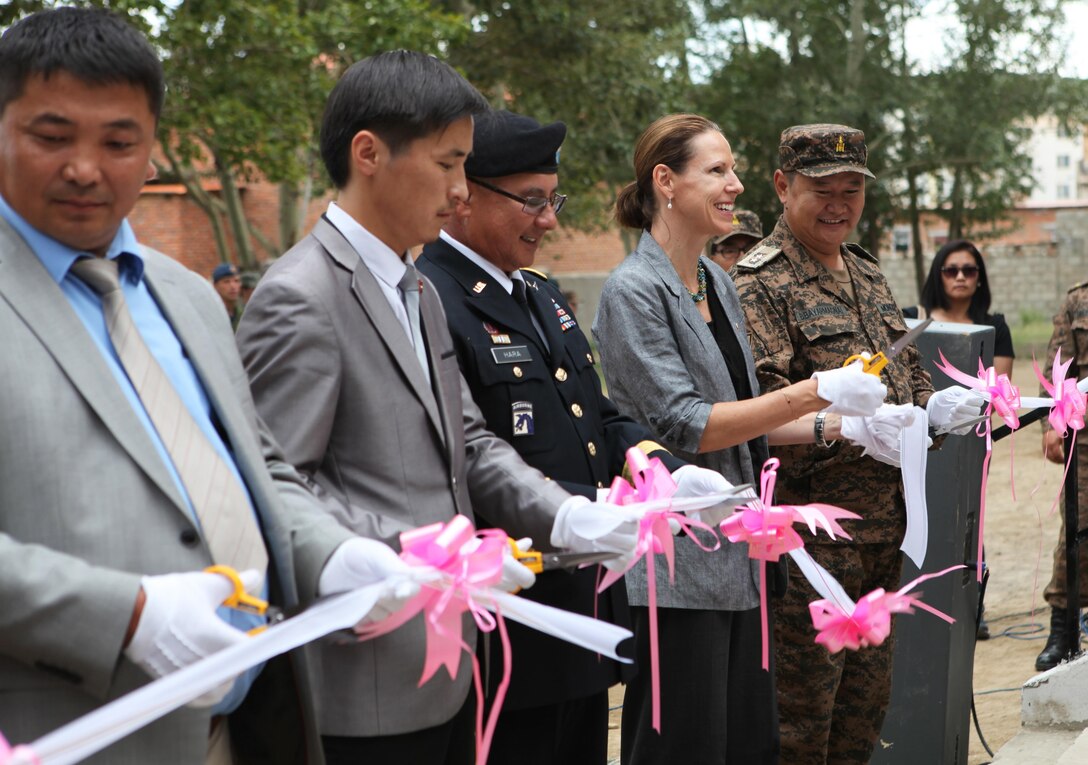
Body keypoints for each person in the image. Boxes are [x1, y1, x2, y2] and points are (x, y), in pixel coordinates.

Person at [0, 8, 412, 764]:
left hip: (248, 725)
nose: (86, 167)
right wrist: (125, 614)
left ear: (152, 148)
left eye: (119, 142)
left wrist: (333, 552)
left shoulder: (187, 297)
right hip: (73, 733)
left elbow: (263, 471)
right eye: (52, 136)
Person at [235, 53, 648, 765]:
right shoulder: (301, 295)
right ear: (369, 153)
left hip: (455, 657)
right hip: (364, 672)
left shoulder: (416, 288)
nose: (461, 191)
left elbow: (469, 438)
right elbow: (275, 483)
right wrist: (408, 552)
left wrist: (566, 515)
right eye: (449, 163)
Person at [417, 110, 731, 764]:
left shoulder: (539, 297)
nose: (549, 220)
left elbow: (599, 415)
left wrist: (665, 472)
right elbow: (464, 456)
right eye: (531, 202)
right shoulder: (433, 299)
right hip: (507, 621)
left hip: (580, 606)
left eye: (551, 199)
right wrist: (579, 508)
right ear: (465, 196)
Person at [592, 113, 893, 765]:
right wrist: (818, 391)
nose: (736, 185)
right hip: (677, 563)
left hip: (744, 556)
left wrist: (844, 421)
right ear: (665, 181)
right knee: (684, 746)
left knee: (750, 744)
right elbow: (688, 422)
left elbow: (744, 413)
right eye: (718, 170)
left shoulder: (715, 283)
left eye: (735, 170)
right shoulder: (633, 291)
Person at [730, 124, 978, 765]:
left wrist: (938, 408)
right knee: (801, 725)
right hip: (810, 549)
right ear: (783, 187)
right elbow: (755, 415)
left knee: (862, 719)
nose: (839, 203)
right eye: (822, 190)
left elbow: (907, 375)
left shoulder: (865, 269)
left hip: (880, 535)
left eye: (852, 190)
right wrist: (844, 425)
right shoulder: (760, 283)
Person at [1036, 283, 1088, 670]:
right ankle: (1064, 630)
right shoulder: (1078, 298)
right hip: (1084, 437)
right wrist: (1051, 426)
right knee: (1078, 528)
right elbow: (1060, 366)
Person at [903, 239, 1014, 379]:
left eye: (969, 271)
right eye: (951, 271)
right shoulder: (910, 319)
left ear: (979, 278)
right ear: (938, 276)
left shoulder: (996, 329)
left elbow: (999, 393)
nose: (960, 277)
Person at [212, 262, 243, 328]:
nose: (233, 286)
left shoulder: (243, 314)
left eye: (236, 281)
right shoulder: (212, 316)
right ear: (215, 286)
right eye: (226, 281)